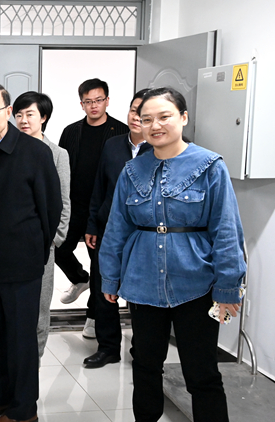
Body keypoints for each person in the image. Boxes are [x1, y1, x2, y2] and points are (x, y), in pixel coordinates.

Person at [100, 87, 246, 422]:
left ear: (183, 117)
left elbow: (226, 230)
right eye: (146, 119)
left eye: (164, 116)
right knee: (145, 364)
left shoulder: (210, 166)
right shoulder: (132, 170)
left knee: (202, 372)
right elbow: (117, 227)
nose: (155, 125)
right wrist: (110, 277)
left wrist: (227, 288)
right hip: (143, 282)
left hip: (196, 283)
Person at [0, 83, 62, 422]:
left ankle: (23, 410)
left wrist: (34, 248)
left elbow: (51, 208)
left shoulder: (36, 153)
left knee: (21, 338)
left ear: (8, 111)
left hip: (23, 263)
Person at [82, 88, 152, 368]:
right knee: (103, 289)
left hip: (143, 233)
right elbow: (99, 187)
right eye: (134, 110)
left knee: (140, 295)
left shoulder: (160, 150)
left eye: (143, 113)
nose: (136, 117)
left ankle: (142, 349)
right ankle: (108, 347)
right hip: (109, 229)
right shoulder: (113, 145)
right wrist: (92, 223)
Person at [56, 78, 129, 339]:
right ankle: (79, 279)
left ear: (107, 101)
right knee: (58, 248)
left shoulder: (121, 132)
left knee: (100, 267)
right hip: (74, 205)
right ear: (81, 104)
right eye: (88, 101)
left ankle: (93, 316)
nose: (93, 105)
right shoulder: (71, 131)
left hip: (103, 209)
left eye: (98, 100)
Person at [12, 91, 70, 362]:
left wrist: (54, 239)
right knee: (14, 307)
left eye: (30, 114)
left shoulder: (57, 154)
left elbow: (64, 201)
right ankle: (14, 363)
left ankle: (33, 363)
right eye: (19, 115)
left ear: (43, 117)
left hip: (42, 244)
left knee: (39, 307)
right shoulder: (8, 151)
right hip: (12, 243)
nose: (23, 120)